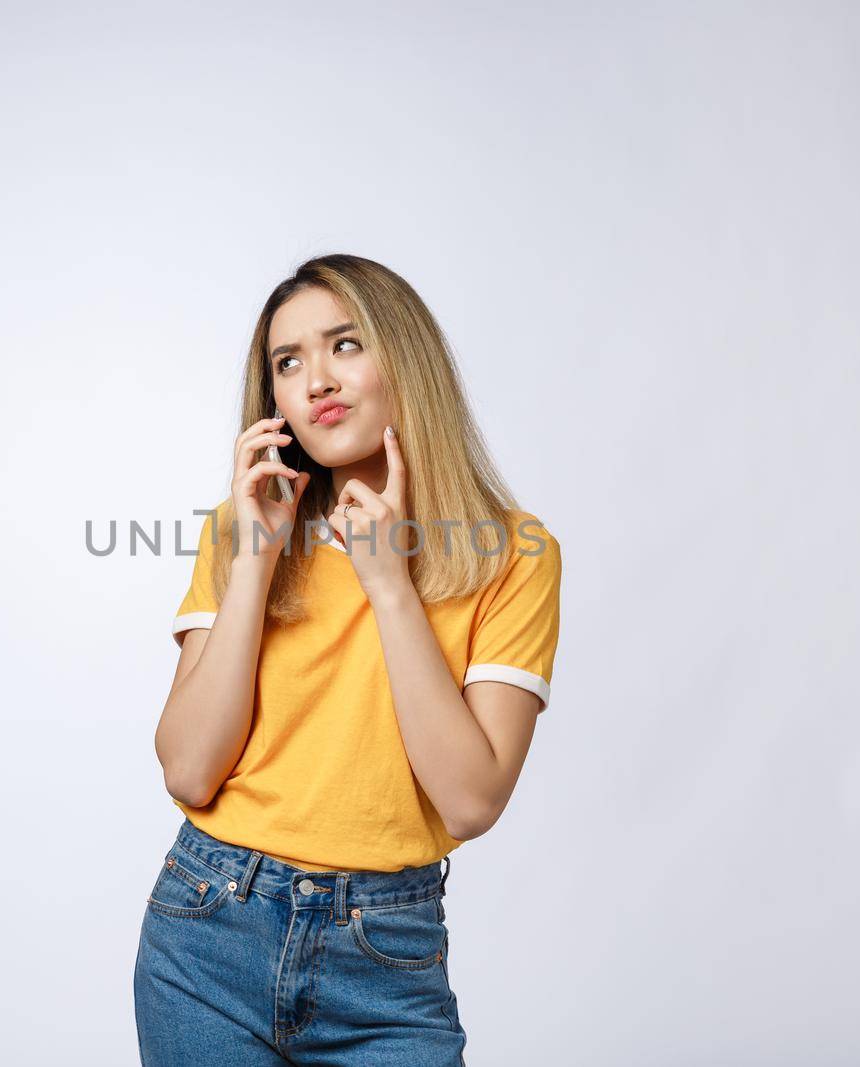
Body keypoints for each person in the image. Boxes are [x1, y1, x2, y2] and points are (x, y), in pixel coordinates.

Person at [133, 253, 562, 1066]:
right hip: (207, 934)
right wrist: (256, 560)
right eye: (287, 362)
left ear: (405, 357)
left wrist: (389, 584)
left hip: (386, 960)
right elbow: (189, 770)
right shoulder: (241, 526)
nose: (316, 380)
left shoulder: (517, 552)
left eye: (345, 344)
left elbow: (470, 800)